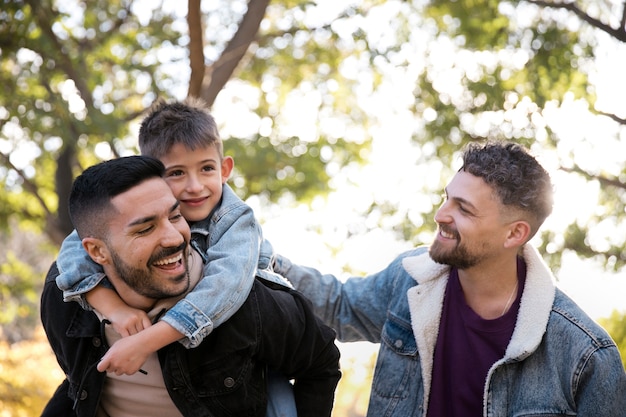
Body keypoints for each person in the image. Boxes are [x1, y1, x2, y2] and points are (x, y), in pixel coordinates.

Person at [272, 141, 626, 416]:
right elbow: (339, 305)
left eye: (464, 209)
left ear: (514, 234)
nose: (441, 215)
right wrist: (257, 259)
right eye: (447, 198)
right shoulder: (410, 279)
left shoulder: (586, 355)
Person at [40, 155, 341, 417]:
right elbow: (78, 384)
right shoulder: (63, 300)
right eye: (145, 229)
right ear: (96, 252)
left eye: (175, 216)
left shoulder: (243, 302)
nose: (174, 237)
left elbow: (321, 361)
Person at [55, 99, 296, 414]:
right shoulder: (139, 211)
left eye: (206, 169)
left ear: (224, 170)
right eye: (177, 173)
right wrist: (114, 309)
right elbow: (74, 250)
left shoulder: (236, 220)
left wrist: (147, 340)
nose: (194, 187)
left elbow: (225, 287)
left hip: (257, 346)